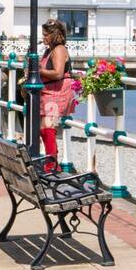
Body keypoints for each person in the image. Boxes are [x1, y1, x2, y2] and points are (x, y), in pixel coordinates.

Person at [37, 19, 77, 172]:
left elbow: (58, 73)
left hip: (56, 92)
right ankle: (50, 160)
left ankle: (52, 164)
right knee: (44, 128)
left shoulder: (59, 50)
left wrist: (38, 71)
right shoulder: (50, 50)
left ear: (54, 35)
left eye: (46, 35)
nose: (43, 38)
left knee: (48, 126)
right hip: (49, 91)